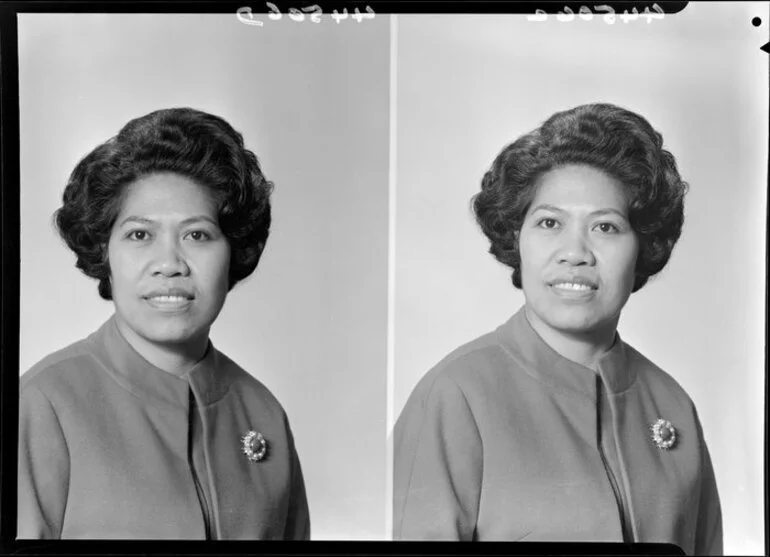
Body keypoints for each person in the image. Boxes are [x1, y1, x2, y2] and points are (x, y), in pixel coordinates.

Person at [392, 103, 723, 554]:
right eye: (550, 223)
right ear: (516, 238)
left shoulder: (671, 404)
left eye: (606, 226)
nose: (575, 252)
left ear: (643, 245)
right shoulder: (455, 396)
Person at [18, 107, 310, 540]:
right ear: (105, 252)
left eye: (197, 235)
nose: (170, 264)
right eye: (140, 235)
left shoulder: (262, 411)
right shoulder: (42, 404)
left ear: (233, 251)